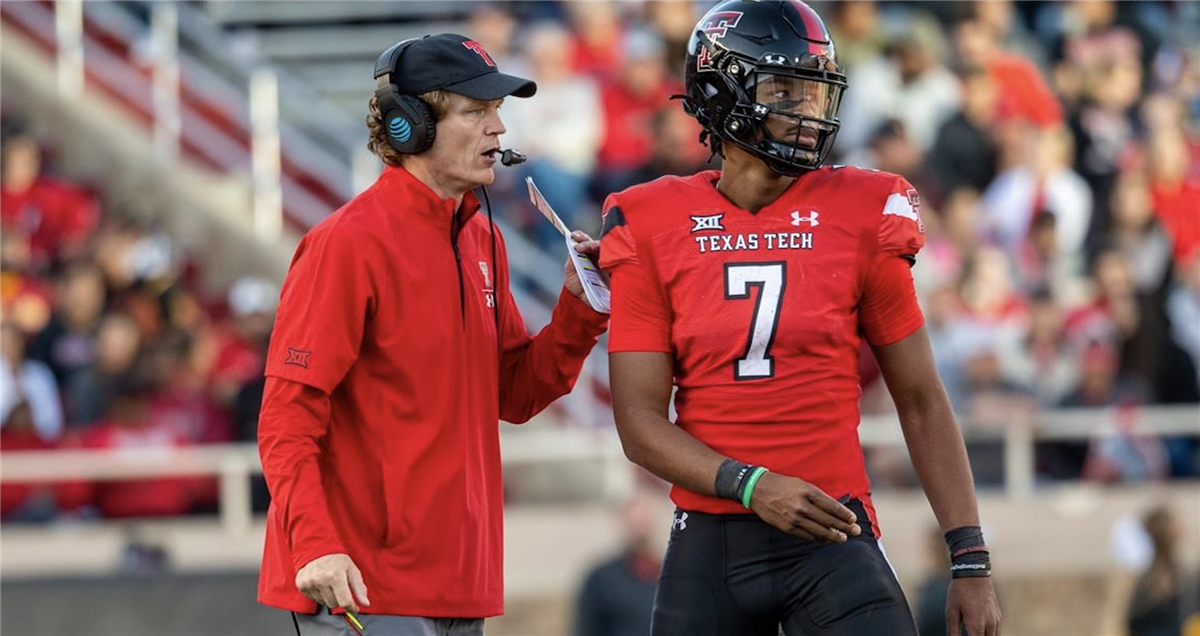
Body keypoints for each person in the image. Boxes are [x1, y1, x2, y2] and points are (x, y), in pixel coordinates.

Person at [598, 2, 1002, 635]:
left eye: (816, 93)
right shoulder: (648, 221)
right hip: (711, 543)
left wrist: (970, 560)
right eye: (784, 91)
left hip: (833, 532)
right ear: (718, 88)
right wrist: (752, 485)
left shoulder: (863, 209)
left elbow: (922, 399)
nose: (808, 113)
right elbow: (639, 422)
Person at [256, 34, 609, 636]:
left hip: (459, 587)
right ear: (408, 126)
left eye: (497, 111)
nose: (499, 129)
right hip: (362, 589)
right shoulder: (349, 243)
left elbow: (515, 394)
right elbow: (286, 417)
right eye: (476, 111)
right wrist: (314, 545)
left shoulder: (483, 238)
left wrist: (579, 309)